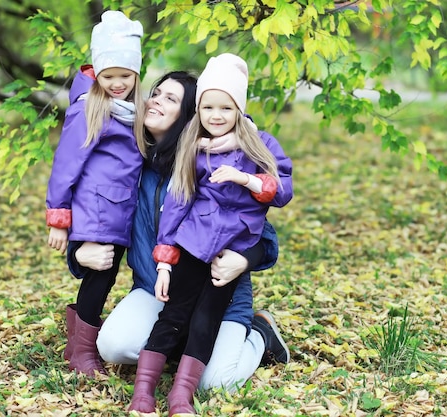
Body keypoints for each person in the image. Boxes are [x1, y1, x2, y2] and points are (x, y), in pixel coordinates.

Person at [128, 53, 293, 416]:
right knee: (172, 317)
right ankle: (143, 392)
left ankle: (180, 396)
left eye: (226, 108)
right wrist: (165, 261)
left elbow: (282, 190)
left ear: (239, 109)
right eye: (207, 108)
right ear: (198, 110)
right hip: (193, 245)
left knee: (204, 323)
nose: (216, 116)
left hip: (229, 255)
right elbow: (176, 205)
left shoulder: (259, 144)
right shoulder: (194, 147)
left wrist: (246, 179)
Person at [45, 10, 145, 377]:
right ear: (96, 73)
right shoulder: (90, 108)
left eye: (125, 75)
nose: (117, 83)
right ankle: (82, 353)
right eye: (109, 76)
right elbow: (66, 164)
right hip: (97, 208)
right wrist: (59, 219)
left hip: (119, 208)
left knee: (107, 271)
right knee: (100, 273)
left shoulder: (130, 109)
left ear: (136, 74)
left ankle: (79, 343)